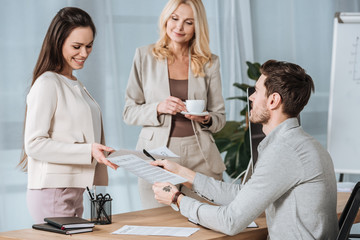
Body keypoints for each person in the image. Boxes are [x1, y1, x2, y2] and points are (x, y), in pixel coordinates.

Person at [151, 60, 339, 239]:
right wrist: (184, 174)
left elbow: (230, 221)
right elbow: (242, 195)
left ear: (273, 100)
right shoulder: (302, 144)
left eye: (257, 91)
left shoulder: (285, 151)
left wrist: (177, 199)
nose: (251, 97)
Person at [18, 7, 118, 223]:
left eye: (89, 46)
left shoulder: (74, 83)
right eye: (76, 46)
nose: (84, 53)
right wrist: (88, 150)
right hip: (53, 192)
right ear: (58, 42)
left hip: (75, 189)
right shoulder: (47, 83)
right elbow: (34, 144)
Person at [123, 0, 226, 209]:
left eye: (188, 22)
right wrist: (157, 108)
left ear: (198, 26)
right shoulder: (145, 56)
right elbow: (129, 112)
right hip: (157, 156)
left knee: (207, 226)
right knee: (160, 226)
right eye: (175, 19)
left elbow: (220, 117)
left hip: (201, 155)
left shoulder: (209, 61)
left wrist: (205, 118)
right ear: (166, 19)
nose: (179, 27)